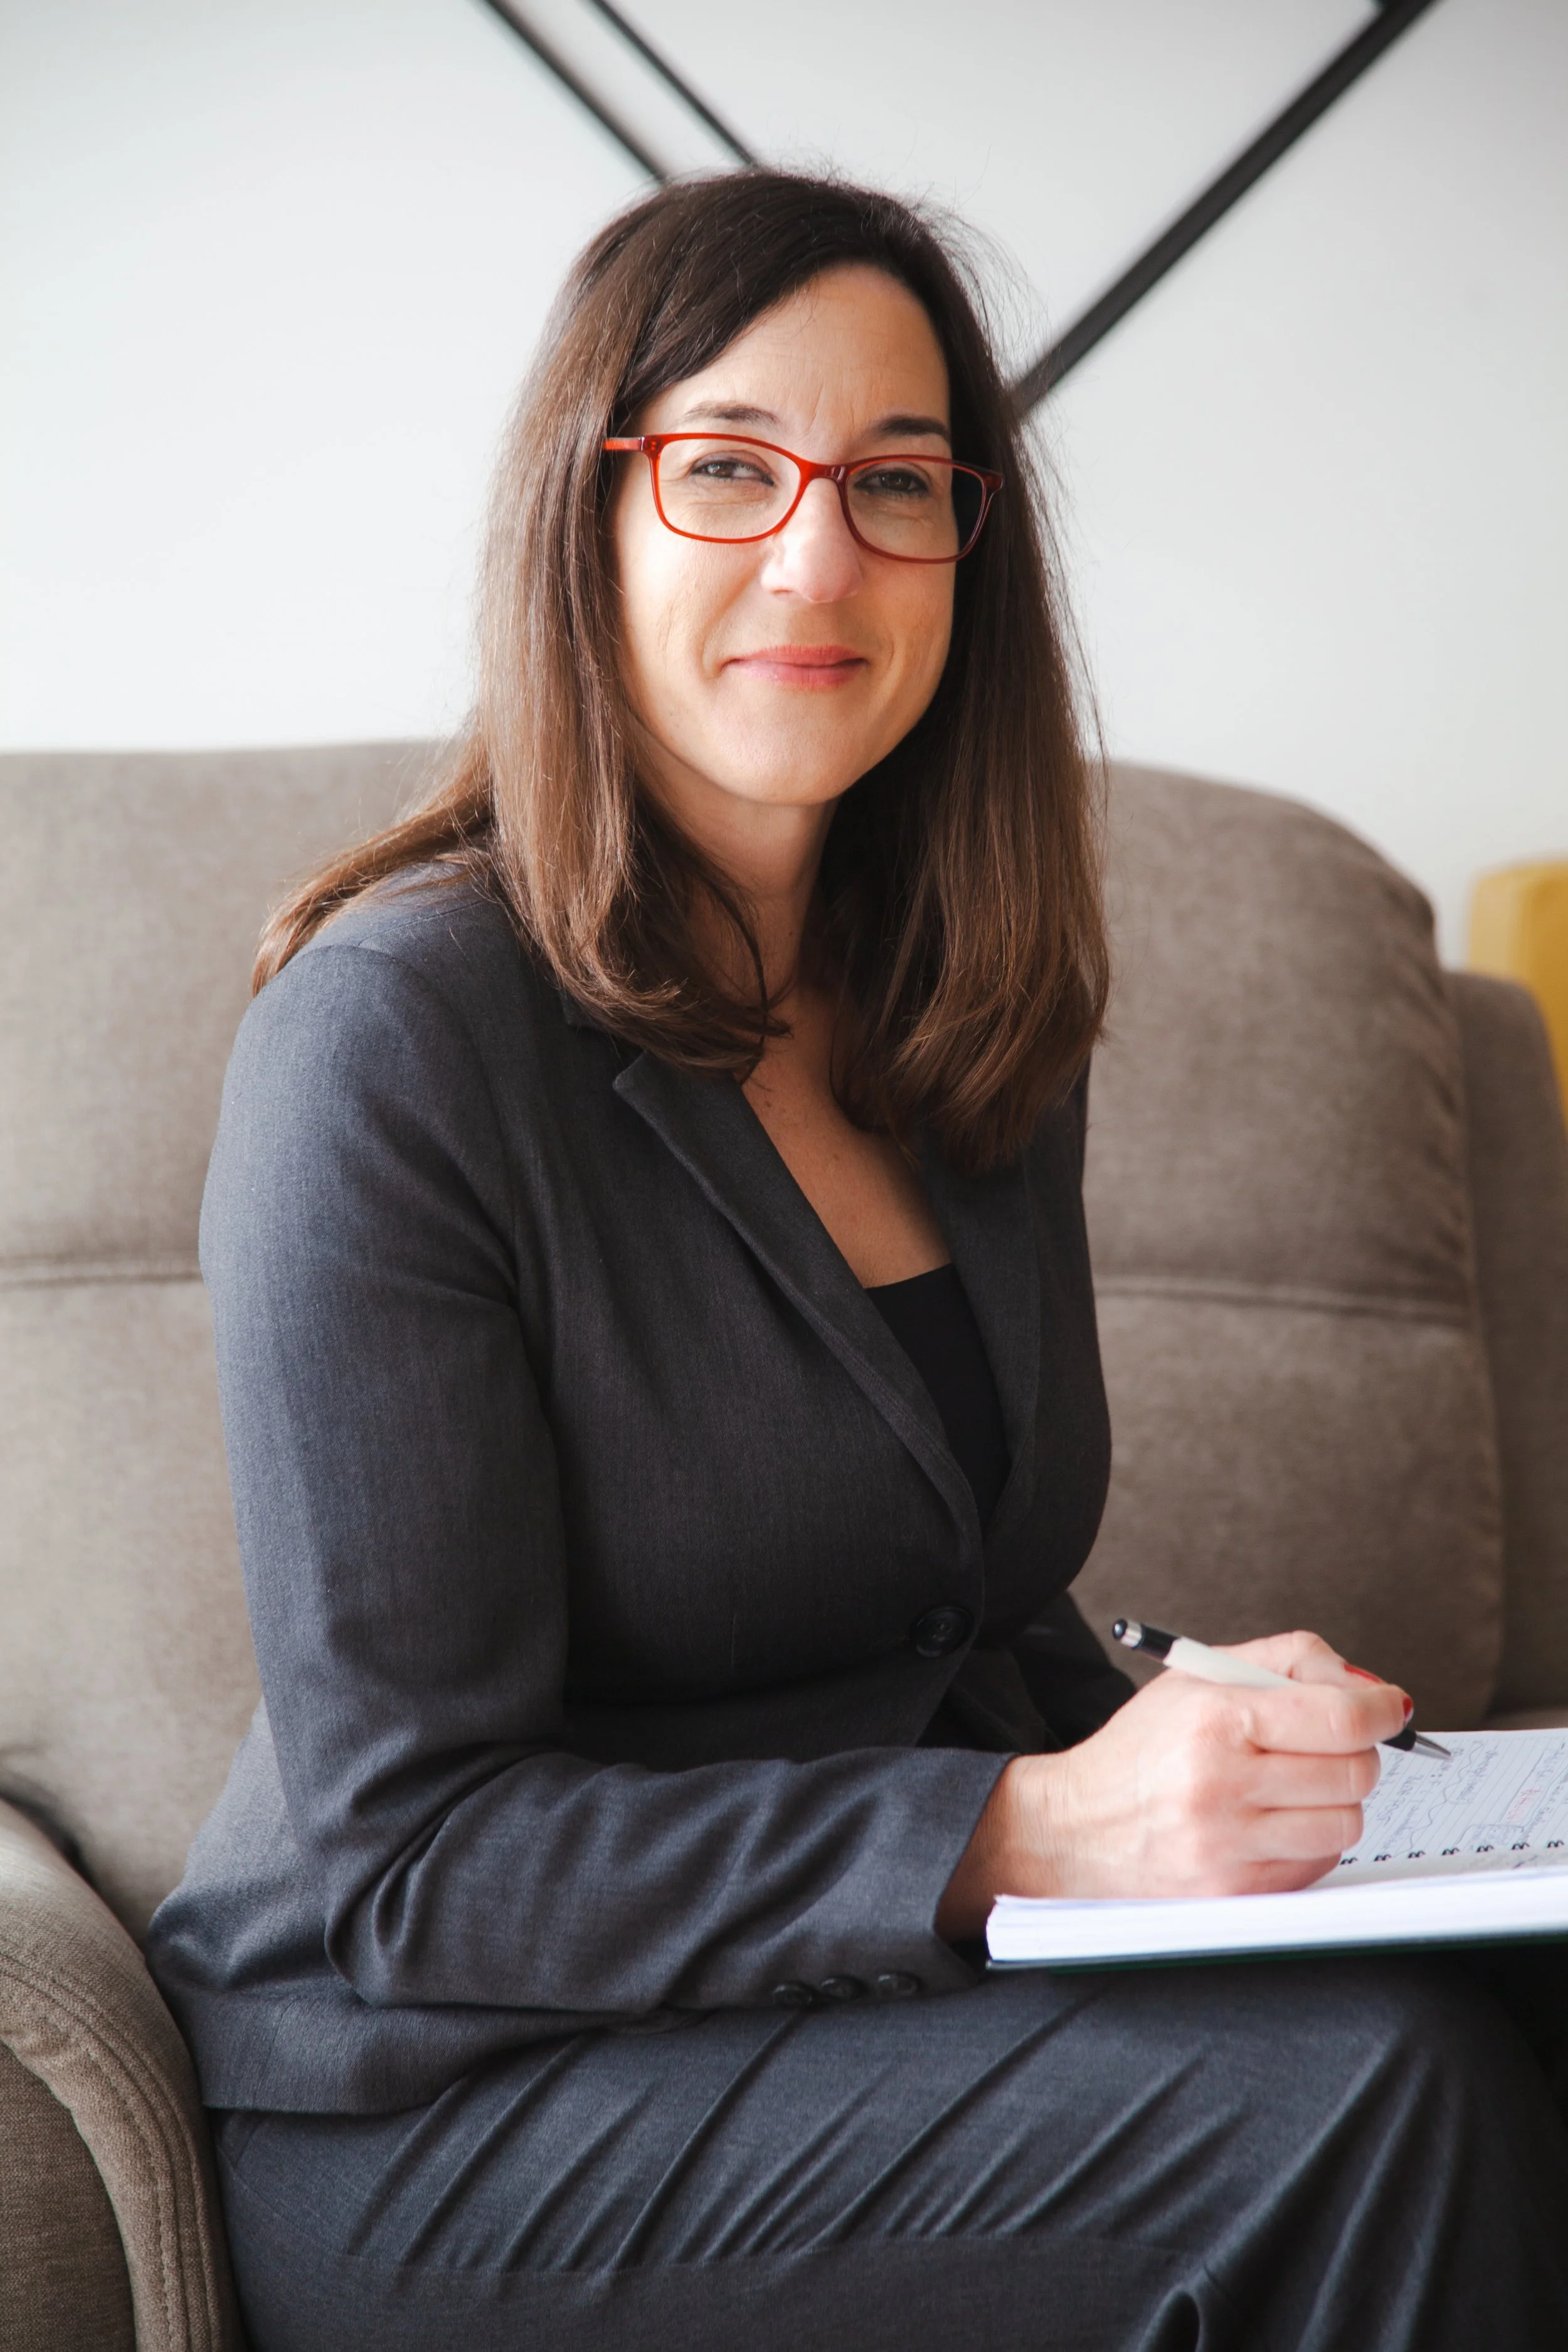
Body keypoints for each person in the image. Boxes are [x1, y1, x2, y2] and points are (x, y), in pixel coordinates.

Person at [147, 171, 1568, 2350]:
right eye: (724, 466)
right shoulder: (389, 1040)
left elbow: (943, 1607)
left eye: (896, 483)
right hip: (448, 2102)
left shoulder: (967, 999)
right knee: (1375, 2095)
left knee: (1506, 2000)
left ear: (968, 553)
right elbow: (420, 1857)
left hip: (847, 2011)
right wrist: (1027, 1831)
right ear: (585, 515)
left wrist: (1194, 1735)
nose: (817, 553)